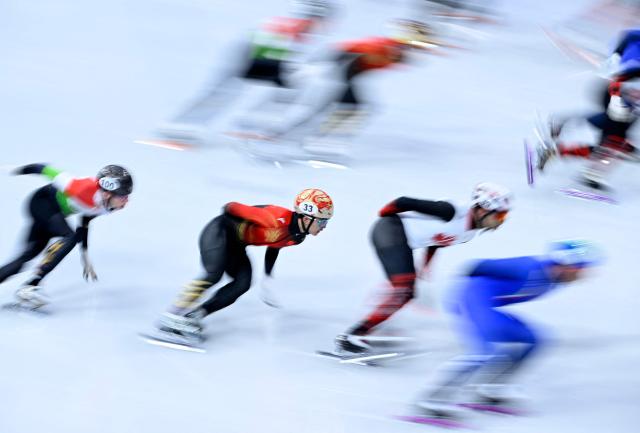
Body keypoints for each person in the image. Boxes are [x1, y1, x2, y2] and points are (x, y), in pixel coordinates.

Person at [414, 240, 601, 420]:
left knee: (533, 340)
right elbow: (476, 266)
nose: (585, 274)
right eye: (583, 268)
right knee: (483, 352)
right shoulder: (528, 268)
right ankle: (430, 400)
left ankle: (491, 388)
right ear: (568, 264)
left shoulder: (555, 280)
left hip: (486, 307)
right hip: (470, 300)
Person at [335, 182, 512, 354]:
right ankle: (354, 335)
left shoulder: (468, 234)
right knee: (404, 289)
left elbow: (436, 242)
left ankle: (374, 325)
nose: (501, 222)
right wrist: (384, 215)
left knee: (405, 290)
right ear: (483, 208)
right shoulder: (452, 211)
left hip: (402, 241)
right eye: (500, 216)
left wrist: (425, 269)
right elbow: (403, 202)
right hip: (390, 231)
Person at [156, 188, 334, 344]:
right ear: (306, 217)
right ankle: (171, 315)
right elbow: (230, 207)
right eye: (322, 221)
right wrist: (245, 222)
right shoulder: (274, 218)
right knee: (213, 275)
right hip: (218, 232)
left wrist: (268, 276)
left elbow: (275, 246)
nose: (324, 227)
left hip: (236, 245)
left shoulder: (298, 236)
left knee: (243, 283)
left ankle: (193, 317)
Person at [157, 0, 332, 144]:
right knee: (227, 90)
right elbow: (269, 58)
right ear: (316, 18)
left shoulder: (303, 30)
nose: (324, 25)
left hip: (258, 51)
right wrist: (292, 74)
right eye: (322, 20)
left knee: (282, 86)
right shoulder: (293, 27)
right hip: (254, 51)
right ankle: (181, 125)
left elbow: (282, 60)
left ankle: (246, 124)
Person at [0, 164, 133, 308]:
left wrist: (85, 254)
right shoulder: (81, 187)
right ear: (107, 193)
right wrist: (15, 170)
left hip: (53, 213)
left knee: (27, 256)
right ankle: (30, 287)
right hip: (41, 203)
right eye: (123, 195)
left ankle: (30, 285)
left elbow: (85, 220)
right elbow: (44, 169)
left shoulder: (109, 206)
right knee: (69, 237)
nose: (126, 201)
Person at [535, 28, 640, 190]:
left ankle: (566, 136)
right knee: (615, 141)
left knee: (614, 140)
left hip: (619, 90)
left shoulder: (633, 36)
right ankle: (562, 153)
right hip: (622, 92)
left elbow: (622, 43)